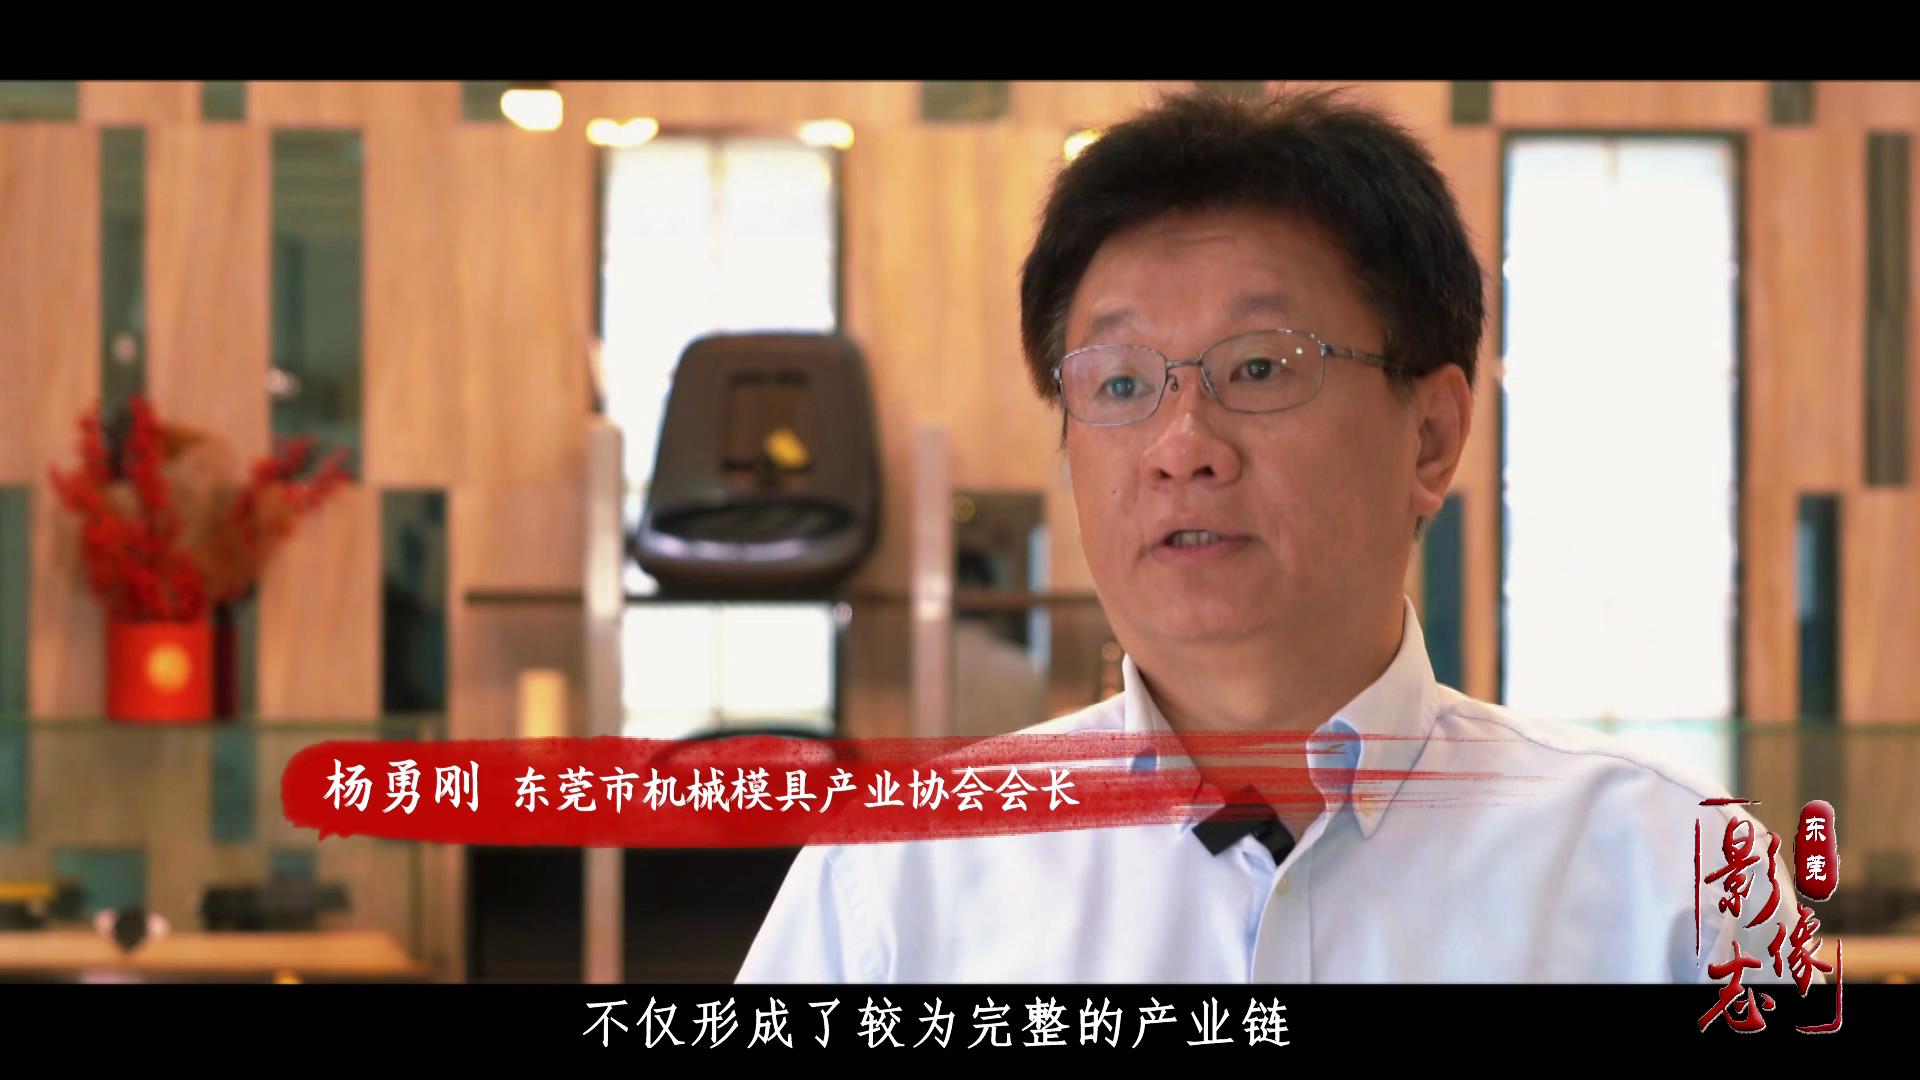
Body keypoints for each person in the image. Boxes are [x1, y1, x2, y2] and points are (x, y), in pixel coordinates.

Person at [738, 87, 1810, 983]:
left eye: (1259, 366)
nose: (1181, 448)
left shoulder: (1676, 882)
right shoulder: (896, 882)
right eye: (1120, 383)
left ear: (1432, 436)